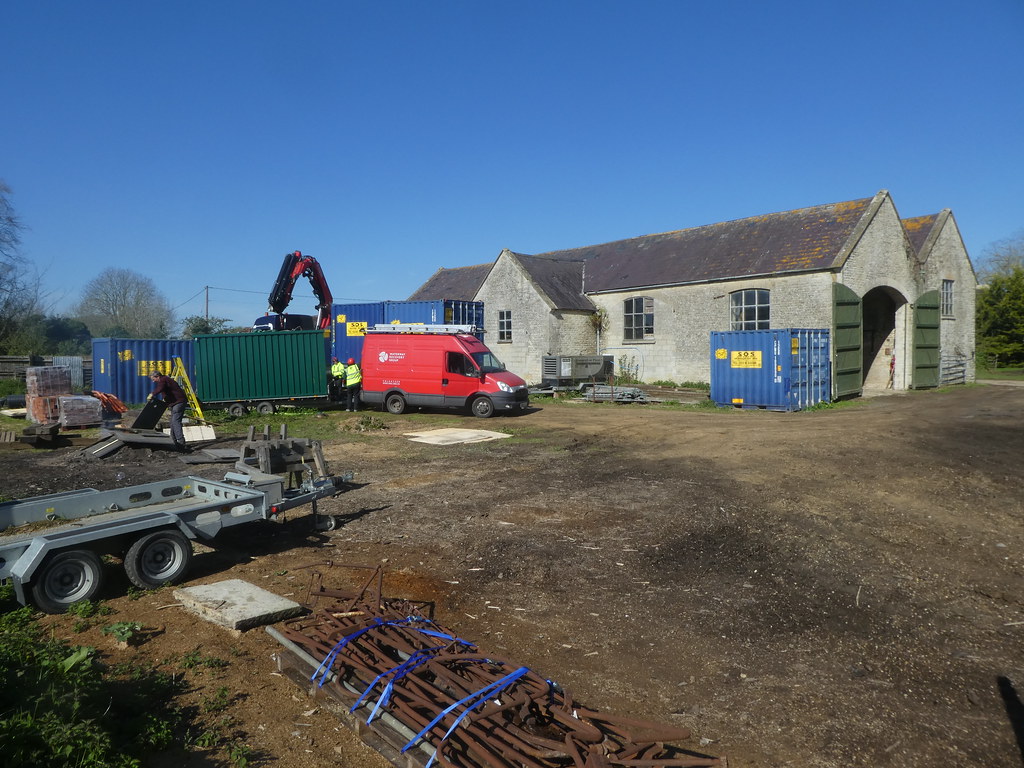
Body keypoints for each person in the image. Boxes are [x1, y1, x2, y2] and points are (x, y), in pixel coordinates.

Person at [148, 371, 189, 452]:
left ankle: (181, 442)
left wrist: (152, 394)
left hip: (178, 402)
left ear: (157, 376)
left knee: (175, 422)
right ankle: (173, 441)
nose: (153, 381)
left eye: (153, 379)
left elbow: (160, 388)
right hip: (175, 403)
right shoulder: (166, 380)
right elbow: (166, 390)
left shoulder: (163, 380)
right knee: (172, 422)